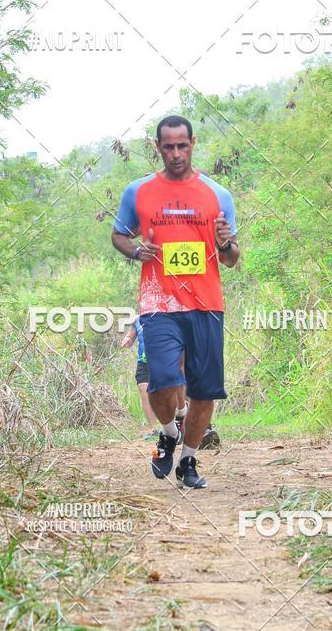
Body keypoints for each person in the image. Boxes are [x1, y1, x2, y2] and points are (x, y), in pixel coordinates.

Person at [111, 115, 239, 489]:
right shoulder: (139, 191)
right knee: (163, 382)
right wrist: (137, 252)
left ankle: (188, 460)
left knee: (204, 390)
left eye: (183, 145)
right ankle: (168, 433)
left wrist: (225, 242)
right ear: (158, 147)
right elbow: (119, 234)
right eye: (169, 146)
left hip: (206, 305)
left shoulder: (218, 195)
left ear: (193, 143)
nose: (176, 153)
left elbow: (231, 259)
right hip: (158, 304)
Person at [122, 316, 188, 441]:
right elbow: (130, 337)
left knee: (168, 391)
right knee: (143, 389)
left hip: (163, 360)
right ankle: (153, 428)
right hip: (144, 361)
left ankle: (176, 421)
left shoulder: (165, 316)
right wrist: (127, 340)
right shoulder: (137, 320)